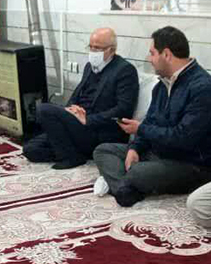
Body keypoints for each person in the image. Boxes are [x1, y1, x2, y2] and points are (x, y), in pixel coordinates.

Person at [93, 26, 211, 207]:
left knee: (137, 172)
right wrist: (135, 148)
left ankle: (122, 185)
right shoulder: (162, 85)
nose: (149, 59)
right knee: (103, 151)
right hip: (158, 153)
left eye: (152, 53)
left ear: (167, 54)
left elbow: (183, 138)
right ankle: (126, 189)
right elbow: (150, 121)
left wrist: (140, 129)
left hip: (190, 164)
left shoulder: (202, 88)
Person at [23, 27, 139, 169]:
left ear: (111, 50)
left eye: (97, 48)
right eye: (90, 47)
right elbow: (77, 94)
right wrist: (71, 109)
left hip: (99, 130)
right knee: (30, 149)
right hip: (78, 124)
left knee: (44, 109)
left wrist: (88, 120)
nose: (92, 51)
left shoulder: (125, 70)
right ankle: (77, 154)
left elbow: (123, 109)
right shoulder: (90, 66)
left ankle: (70, 157)